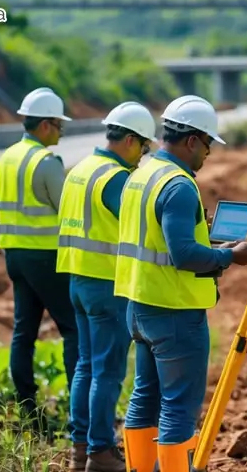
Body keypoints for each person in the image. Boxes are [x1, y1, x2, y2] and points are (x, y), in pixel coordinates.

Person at [115, 95, 247, 472]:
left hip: (140, 306)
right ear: (192, 140)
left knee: (143, 400)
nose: (208, 153)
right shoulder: (179, 186)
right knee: (178, 408)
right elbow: (182, 255)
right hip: (175, 311)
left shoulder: (141, 175)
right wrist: (231, 255)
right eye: (208, 143)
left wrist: (205, 243)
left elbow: (158, 242)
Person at [57, 102, 157, 471]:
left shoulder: (80, 169)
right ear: (130, 140)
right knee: (108, 372)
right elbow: (141, 224)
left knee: (86, 365)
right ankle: (100, 450)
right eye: (144, 147)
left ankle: (79, 448)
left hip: (77, 280)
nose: (144, 156)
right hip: (106, 285)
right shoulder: (115, 177)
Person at [0, 87, 79, 431]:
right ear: (44, 125)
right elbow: (68, 210)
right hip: (45, 256)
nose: (61, 131)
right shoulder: (45, 162)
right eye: (59, 125)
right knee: (73, 329)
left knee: (23, 332)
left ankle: (29, 411)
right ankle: (80, 413)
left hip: (14, 255)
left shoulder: (6, 158)